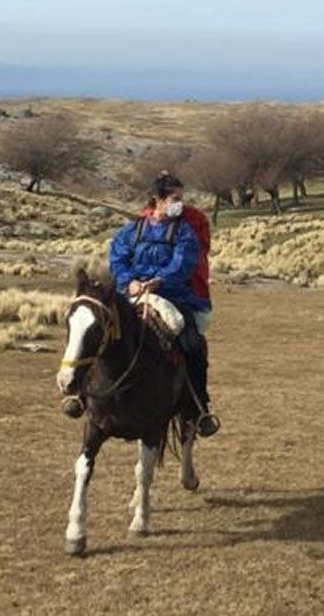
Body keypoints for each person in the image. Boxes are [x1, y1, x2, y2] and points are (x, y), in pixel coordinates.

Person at [61, 171, 220, 437]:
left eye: (181, 198)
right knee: (97, 331)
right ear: (157, 200)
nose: (181, 204)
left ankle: (198, 405)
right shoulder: (132, 231)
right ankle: (80, 395)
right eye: (174, 199)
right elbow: (118, 259)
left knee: (193, 342)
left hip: (173, 295)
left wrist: (159, 280)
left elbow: (184, 264)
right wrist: (129, 282)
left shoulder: (185, 232)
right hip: (132, 292)